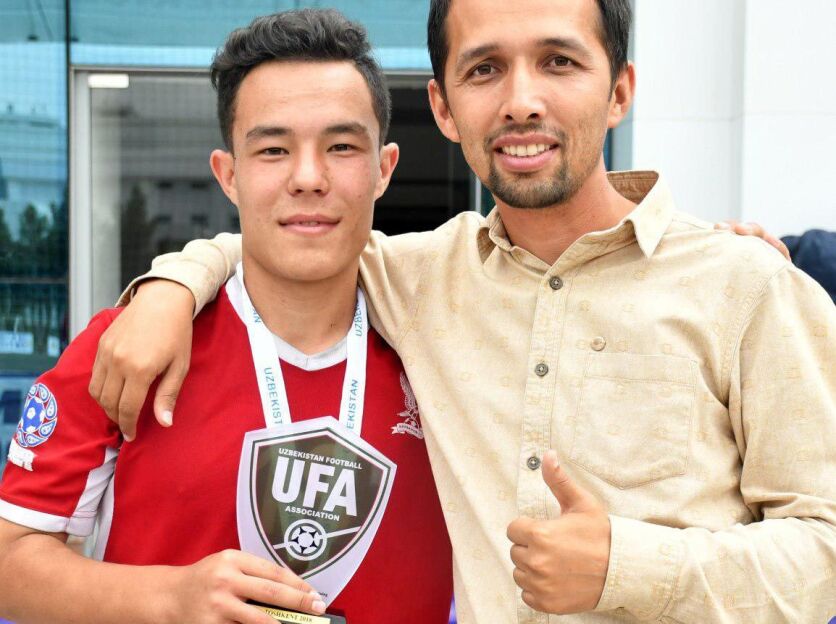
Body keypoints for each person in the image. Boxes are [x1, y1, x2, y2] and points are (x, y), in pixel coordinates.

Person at [89, 0, 836, 622]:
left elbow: (826, 549)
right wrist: (172, 287)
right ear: (443, 108)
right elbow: (290, 231)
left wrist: (630, 566)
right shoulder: (421, 278)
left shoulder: (747, 287)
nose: (520, 101)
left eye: (559, 62)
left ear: (619, 91)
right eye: (484, 69)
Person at [0, 10, 452, 624]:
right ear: (229, 175)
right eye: (274, 150)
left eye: (342, 147)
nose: (309, 178)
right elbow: (11, 561)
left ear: (384, 168)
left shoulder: (445, 344)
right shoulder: (131, 346)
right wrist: (169, 599)